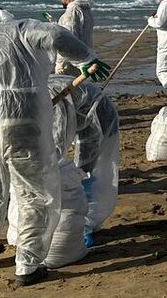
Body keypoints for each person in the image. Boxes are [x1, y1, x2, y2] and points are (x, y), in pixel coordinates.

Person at [0, 5, 109, 286]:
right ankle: (27, 266)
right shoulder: (21, 30)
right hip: (23, 125)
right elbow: (55, 35)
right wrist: (87, 58)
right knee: (32, 195)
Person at [50, 75, 121, 245]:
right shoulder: (32, 100)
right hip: (81, 110)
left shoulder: (52, 105)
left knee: (85, 170)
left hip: (97, 117)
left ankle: (86, 224)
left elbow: (55, 149)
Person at [54, 0, 94, 74]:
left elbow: (69, 39)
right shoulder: (85, 10)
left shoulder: (72, 11)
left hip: (69, 64)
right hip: (84, 58)